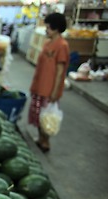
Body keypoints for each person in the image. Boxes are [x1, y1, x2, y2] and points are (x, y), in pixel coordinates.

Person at [28, 12, 69, 152]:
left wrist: (55, 91)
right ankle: (40, 139)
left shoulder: (62, 45)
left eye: (48, 28)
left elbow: (59, 71)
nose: (46, 30)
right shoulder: (48, 43)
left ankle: (46, 143)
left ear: (56, 28)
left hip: (49, 88)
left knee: (47, 117)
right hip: (39, 85)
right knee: (39, 115)